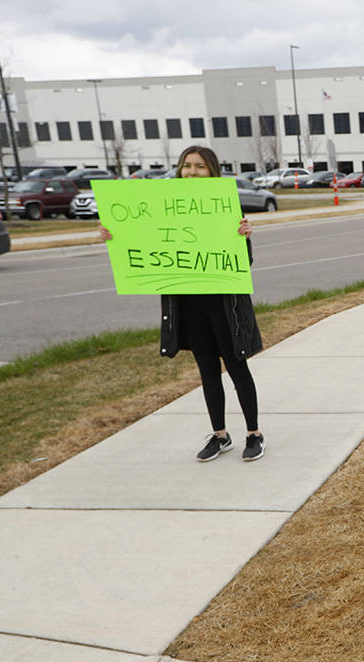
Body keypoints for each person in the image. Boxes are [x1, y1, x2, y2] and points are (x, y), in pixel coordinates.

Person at [101, 145, 265, 462]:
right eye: (186, 165)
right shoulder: (163, 205)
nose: (191, 171)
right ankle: (220, 435)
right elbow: (142, 237)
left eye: (199, 166)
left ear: (212, 171)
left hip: (224, 304)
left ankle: (253, 433)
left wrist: (244, 236)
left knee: (236, 366)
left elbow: (244, 262)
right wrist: (115, 235)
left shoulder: (224, 206)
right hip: (188, 305)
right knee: (207, 370)